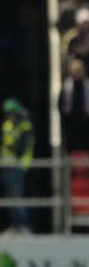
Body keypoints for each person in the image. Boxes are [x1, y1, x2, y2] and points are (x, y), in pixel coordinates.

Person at [2, 99, 35, 233]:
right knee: (10, 196)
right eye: (7, 113)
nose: (9, 116)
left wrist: (11, 145)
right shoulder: (8, 125)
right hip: (6, 165)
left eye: (11, 113)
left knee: (17, 195)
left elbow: (21, 147)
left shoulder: (24, 125)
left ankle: (23, 225)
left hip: (18, 165)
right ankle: (15, 226)